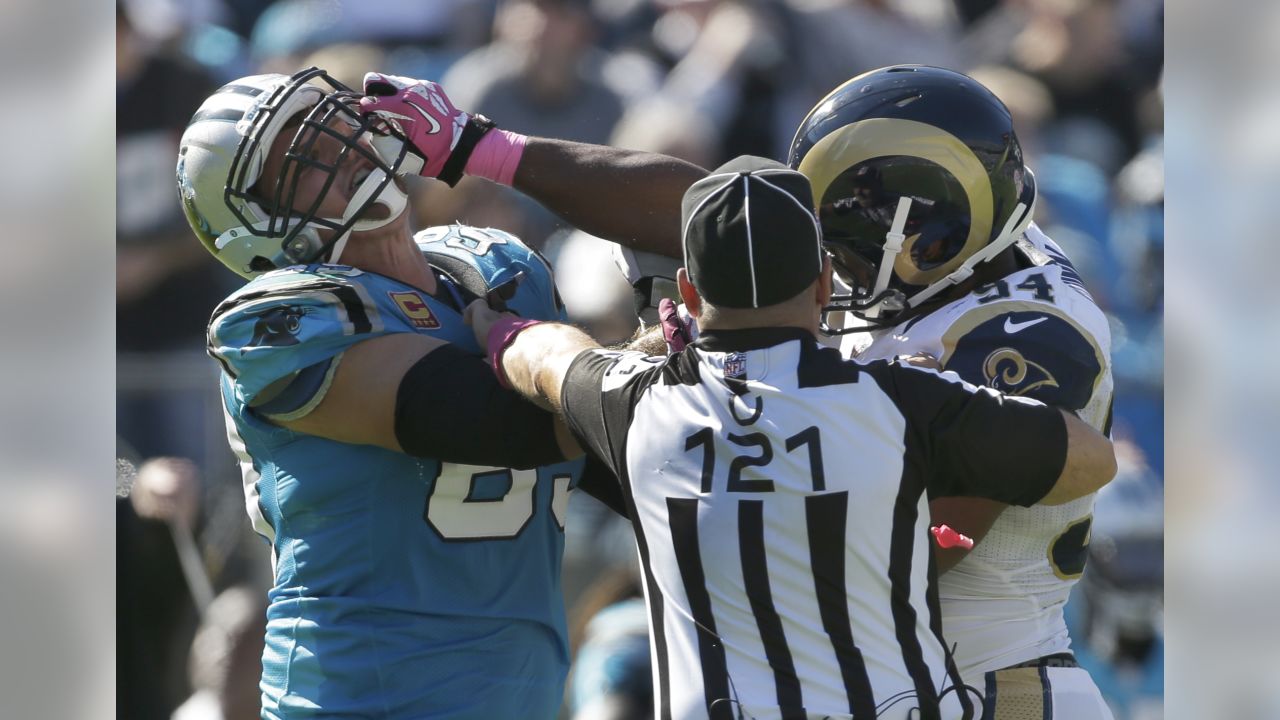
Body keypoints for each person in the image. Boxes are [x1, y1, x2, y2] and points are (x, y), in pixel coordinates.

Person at [465, 156, 1117, 720]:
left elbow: (546, 356)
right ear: (824, 283)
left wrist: (494, 330)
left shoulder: (632, 402)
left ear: (688, 292)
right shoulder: (898, 402)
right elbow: (1090, 460)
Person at [176, 66, 699, 718]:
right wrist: (654, 370)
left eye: (332, 120)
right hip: (359, 700)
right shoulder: (276, 321)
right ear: (256, 224)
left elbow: (707, 219)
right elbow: (490, 420)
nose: (337, 145)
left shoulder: (495, 269)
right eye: (297, 158)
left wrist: (485, 148)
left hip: (520, 697)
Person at [786, 65, 1119, 717]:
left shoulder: (1029, 336)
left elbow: (934, 546)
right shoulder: (972, 265)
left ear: (929, 233)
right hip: (922, 681)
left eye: (850, 248)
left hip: (990, 686)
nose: (836, 272)